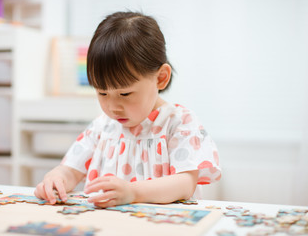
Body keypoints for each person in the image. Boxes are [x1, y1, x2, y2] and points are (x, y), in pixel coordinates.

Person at [35, 11, 221, 208]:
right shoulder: (102, 127)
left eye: (125, 94)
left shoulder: (179, 123)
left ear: (161, 78)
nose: (113, 107)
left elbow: (185, 183)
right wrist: (55, 179)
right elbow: (71, 171)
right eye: (102, 93)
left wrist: (133, 192)